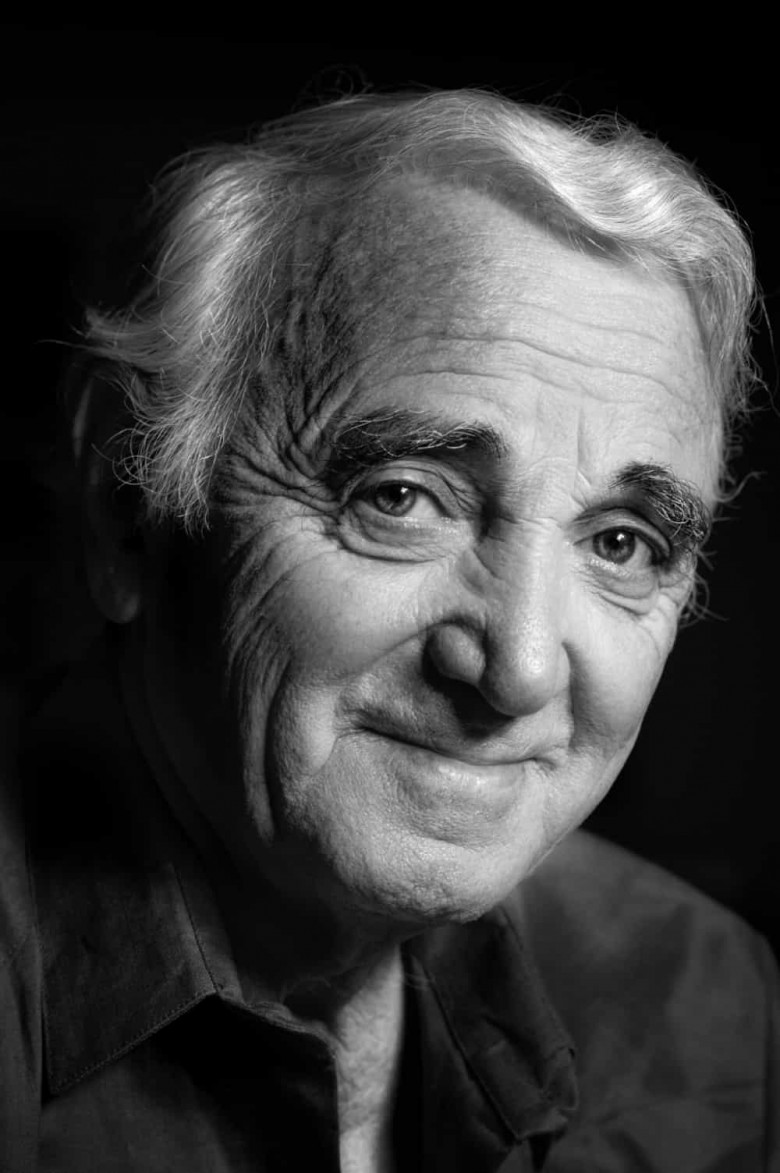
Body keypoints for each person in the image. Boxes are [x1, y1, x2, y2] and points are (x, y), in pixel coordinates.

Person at [2, 89, 778, 1172]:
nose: (518, 668)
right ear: (126, 507)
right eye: (402, 497)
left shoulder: (706, 1004)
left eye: (621, 542)